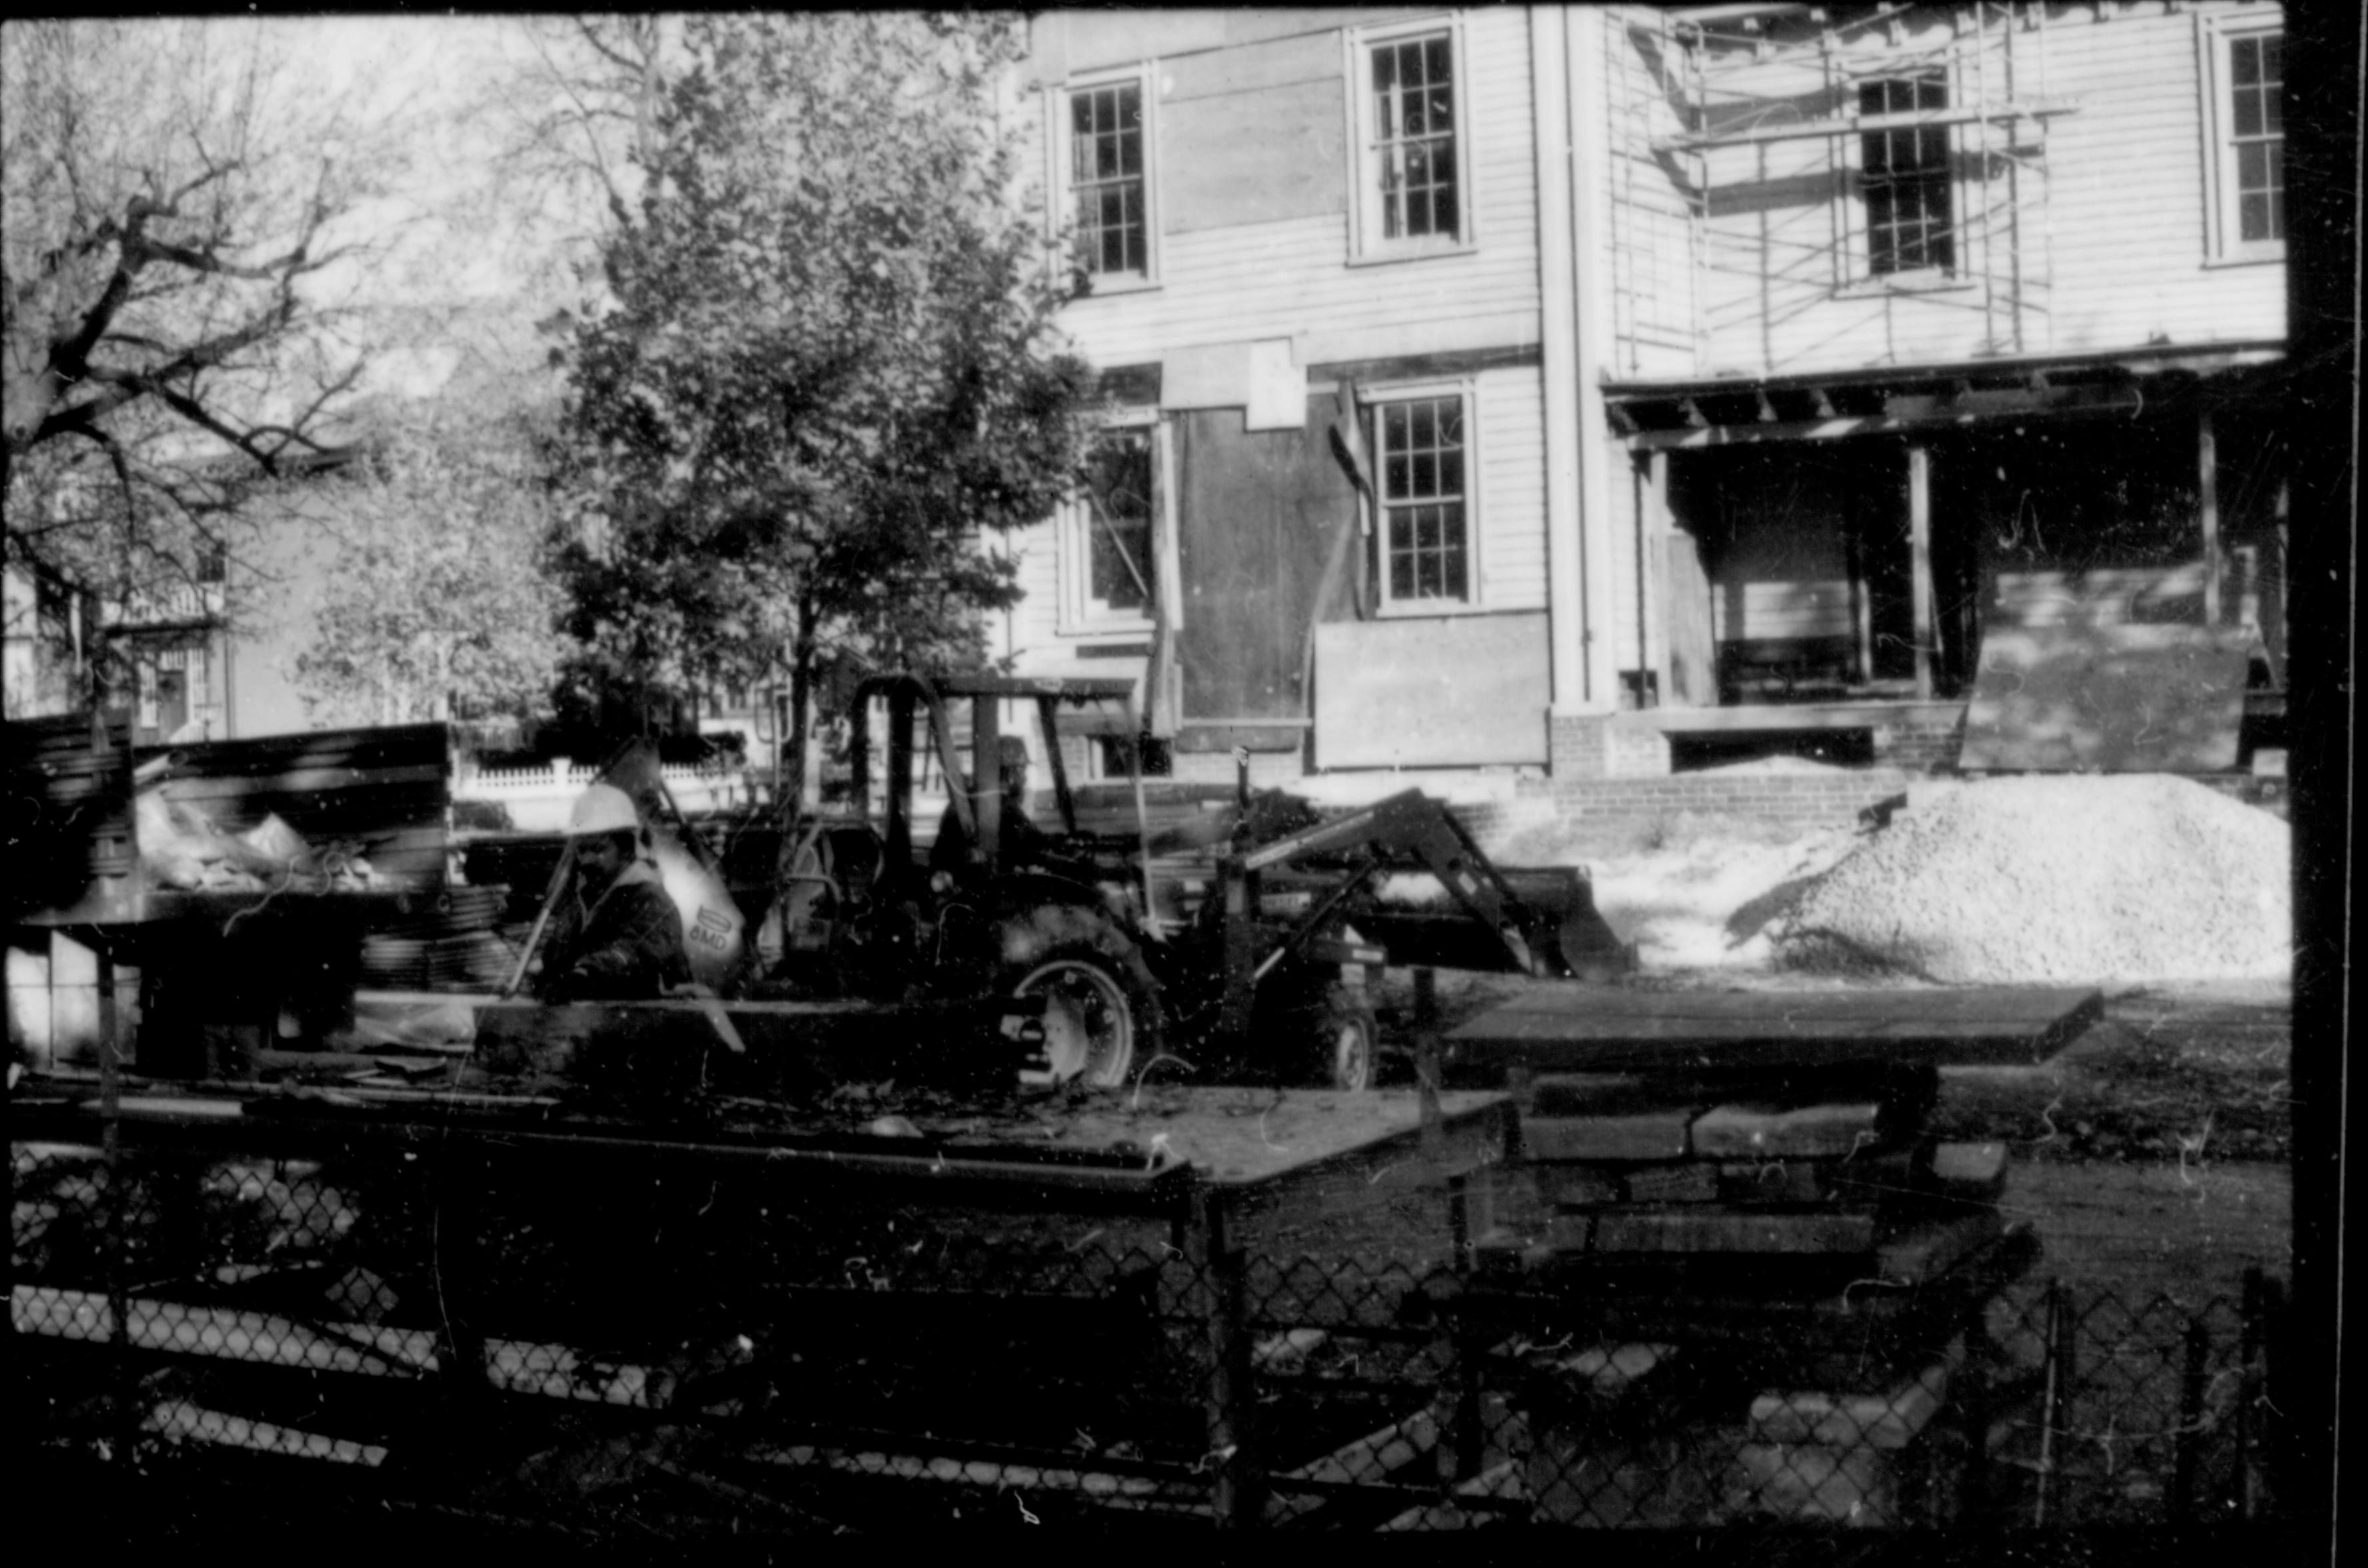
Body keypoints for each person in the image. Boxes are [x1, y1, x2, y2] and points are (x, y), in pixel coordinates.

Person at [535, 783, 693, 1002]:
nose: (588, 860)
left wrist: (585, 975)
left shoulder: (651, 898)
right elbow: (556, 959)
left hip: (647, 1024)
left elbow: (634, 952)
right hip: (592, 1022)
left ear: (626, 850)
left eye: (599, 849)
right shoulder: (584, 900)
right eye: (582, 850)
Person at [929, 735, 1075, 881]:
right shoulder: (1003, 806)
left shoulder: (966, 800)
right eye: (1022, 770)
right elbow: (1035, 843)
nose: (1025, 779)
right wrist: (1065, 844)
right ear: (1011, 773)